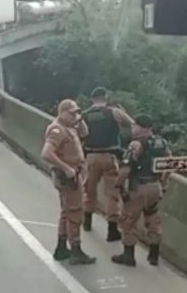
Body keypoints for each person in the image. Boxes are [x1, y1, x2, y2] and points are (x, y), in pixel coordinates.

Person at [41, 99, 96, 265]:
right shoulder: (57, 130)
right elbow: (46, 153)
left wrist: (79, 119)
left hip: (73, 174)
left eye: (76, 112)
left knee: (66, 212)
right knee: (74, 212)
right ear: (62, 112)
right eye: (72, 113)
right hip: (68, 177)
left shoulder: (70, 127)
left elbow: (85, 133)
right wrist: (65, 168)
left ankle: (62, 247)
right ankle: (76, 250)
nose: (75, 116)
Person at [112, 114, 171, 267]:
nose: (132, 128)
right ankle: (153, 255)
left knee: (128, 221)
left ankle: (128, 256)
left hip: (139, 187)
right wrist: (163, 183)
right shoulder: (162, 143)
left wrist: (118, 185)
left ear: (141, 128)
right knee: (152, 218)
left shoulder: (136, 145)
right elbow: (170, 163)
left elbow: (126, 169)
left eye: (134, 126)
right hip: (155, 186)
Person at [82, 87, 135, 241]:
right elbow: (133, 126)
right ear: (106, 98)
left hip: (91, 156)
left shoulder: (84, 115)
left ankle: (87, 221)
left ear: (92, 99)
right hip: (110, 157)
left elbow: (78, 134)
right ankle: (112, 230)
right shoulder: (114, 112)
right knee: (112, 194)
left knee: (89, 190)